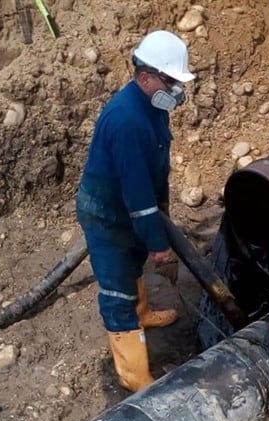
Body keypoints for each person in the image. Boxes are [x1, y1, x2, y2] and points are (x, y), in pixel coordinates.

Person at [75, 30, 194, 392]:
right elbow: (137, 194)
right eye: (171, 81)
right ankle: (134, 377)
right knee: (117, 289)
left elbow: (154, 169)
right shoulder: (126, 121)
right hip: (109, 214)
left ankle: (143, 314)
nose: (176, 89)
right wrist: (161, 246)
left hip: (131, 207)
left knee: (132, 261)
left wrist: (162, 210)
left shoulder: (153, 107)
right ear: (146, 77)